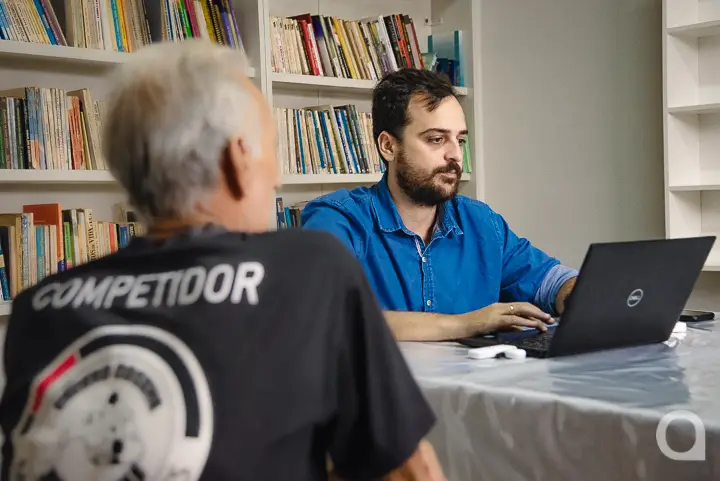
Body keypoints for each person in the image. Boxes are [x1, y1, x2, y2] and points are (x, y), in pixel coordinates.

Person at [0, 41, 446, 481]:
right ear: (237, 159)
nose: (277, 178)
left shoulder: (38, 307)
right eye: (270, 150)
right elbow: (410, 473)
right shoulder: (311, 269)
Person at [302, 68, 578, 342]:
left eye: (460, 140)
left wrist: (577, 295)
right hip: (382, 373)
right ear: (388, 146)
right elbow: (328, 313)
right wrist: (468, 324)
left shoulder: (481, 222)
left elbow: (553, 282)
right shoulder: (338, 219)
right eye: (437, 139)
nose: (455, 155)